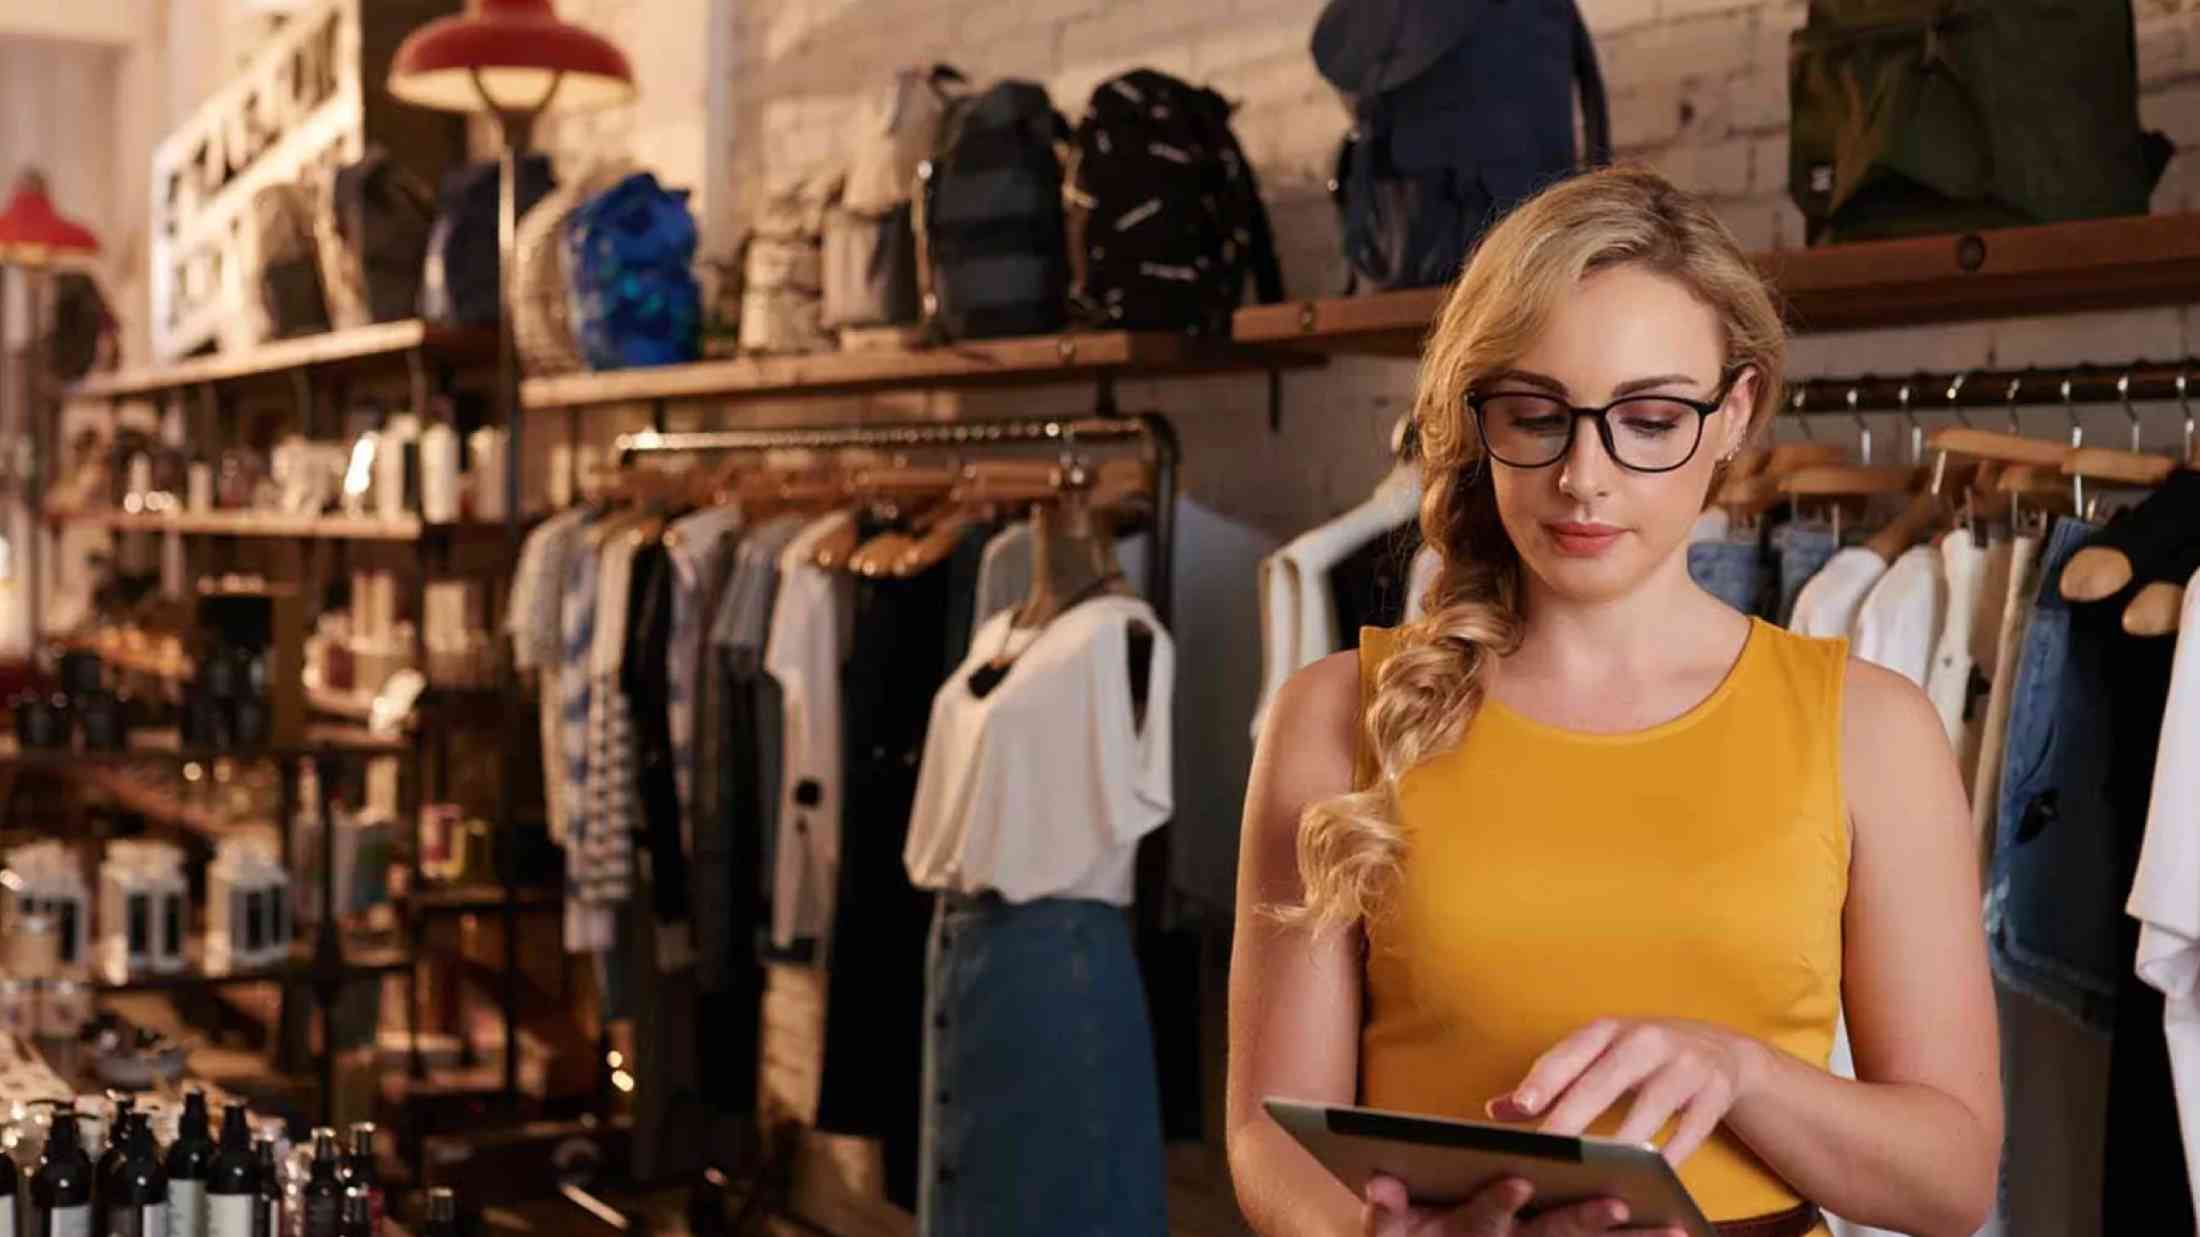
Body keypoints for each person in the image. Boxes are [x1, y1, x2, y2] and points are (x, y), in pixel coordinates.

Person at [1225, 166, 2000, 1237]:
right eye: (1537, 414)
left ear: (1734, 415)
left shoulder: (1870, 729)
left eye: (1646, 418)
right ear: (1476, 414)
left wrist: (1740, 1072)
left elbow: (1951, 1179)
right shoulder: (1335, 713)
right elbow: (1266, 1137)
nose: (1584, 476)